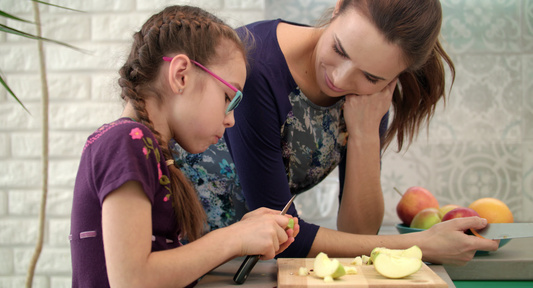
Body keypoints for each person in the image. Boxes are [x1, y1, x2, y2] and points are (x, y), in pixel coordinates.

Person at [173, 0, 499, 266]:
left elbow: (359, 232)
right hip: (177, 252)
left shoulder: (369, 99)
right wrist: (419, 245)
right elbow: (283, 232)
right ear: (337, 7)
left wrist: (365, 134)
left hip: (241, 263)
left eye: (371, 76)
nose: (342, 80)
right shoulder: (255, 64)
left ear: (394, 78)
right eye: (341, 50)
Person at [69, 5, 298, 288]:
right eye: (229, 97)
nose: (231, 120)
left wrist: (246, 233)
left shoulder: (145, 147)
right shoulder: (126, 141)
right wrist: (233, 239)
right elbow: (132, 282)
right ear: (181, 76)